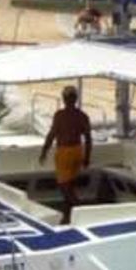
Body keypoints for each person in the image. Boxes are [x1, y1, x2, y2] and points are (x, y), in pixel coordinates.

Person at [39, 85, 92, 223]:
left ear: (64, 99)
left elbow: (52, 135)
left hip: (65, 153)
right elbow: (88, 138)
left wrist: (44, 151)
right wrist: (86, 157)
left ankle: (81, 213)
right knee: (70, 185)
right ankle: (67, 217)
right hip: (77, 151)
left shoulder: (60, 115)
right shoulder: (82, 116)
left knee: (64, 187)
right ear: (76, 99)